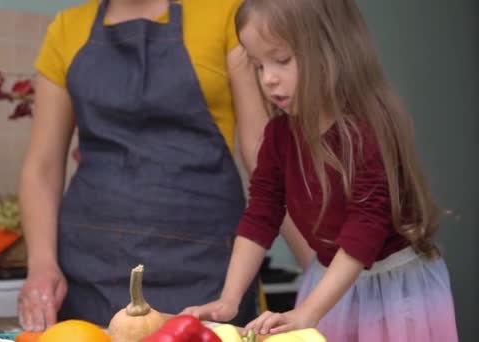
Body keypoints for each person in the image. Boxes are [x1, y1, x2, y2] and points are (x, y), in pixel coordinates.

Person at [17, 0, 314, 331]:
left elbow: (264, 155)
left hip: (207, 271)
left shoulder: (225, 14)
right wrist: (41, 264)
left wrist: (319, 272)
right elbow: (41, 167)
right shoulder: (65, 30)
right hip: (91, 271)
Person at [182, 0, 459, 341]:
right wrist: (229, 300)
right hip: (329, 289)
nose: (268, 79)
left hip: (394, 294)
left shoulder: (368, 128)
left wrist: (310, 311)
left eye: (281, 60)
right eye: (257, 65)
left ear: (331, 50)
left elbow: (366, 226)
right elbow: (262, 213)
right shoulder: (279, 136)